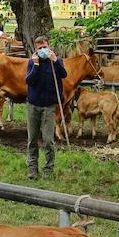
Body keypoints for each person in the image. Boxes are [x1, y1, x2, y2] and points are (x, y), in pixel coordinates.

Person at [24, 36, 67, 179]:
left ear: (49, 47)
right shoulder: (32, 63)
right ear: (35, 49)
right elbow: (29, 81)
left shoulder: (56, 61)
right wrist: (36, 65)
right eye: (39, 48)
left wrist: (55, 60)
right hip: (33, 105)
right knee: (32, 139)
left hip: (49, 106)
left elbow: (64, 74)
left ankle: (49, 169)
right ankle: (32, 168)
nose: (42, 50)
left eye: (44, 47)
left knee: (48, 140)